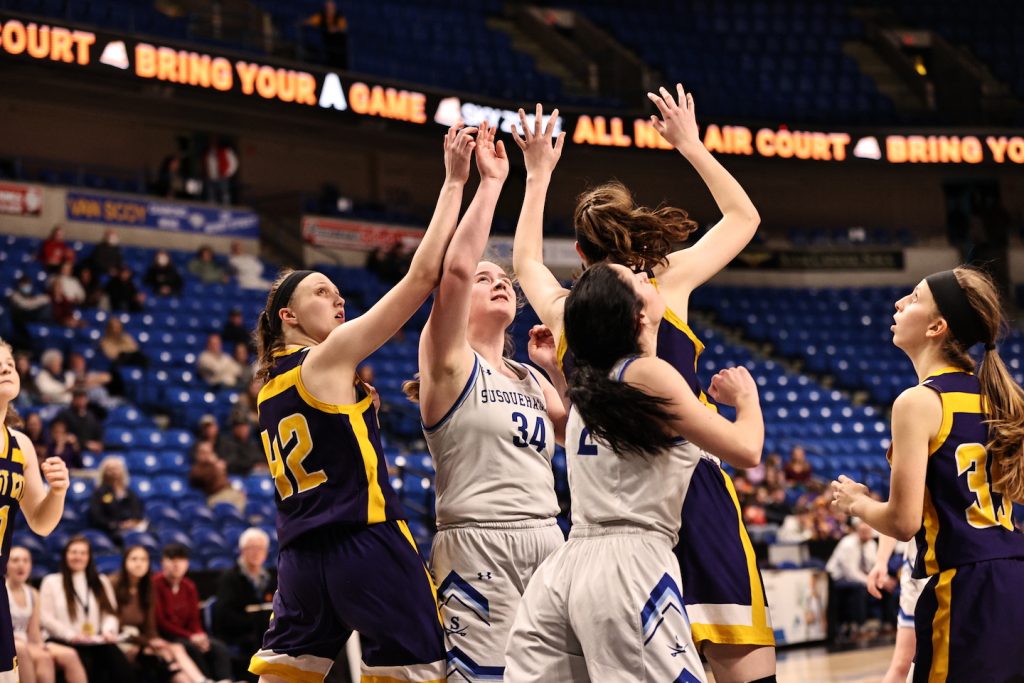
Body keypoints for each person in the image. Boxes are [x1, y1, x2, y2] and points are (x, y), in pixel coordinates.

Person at [510, 90, 774, 682]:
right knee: (741, 664)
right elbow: (744, 219)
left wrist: (537, 175)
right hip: (689, 484)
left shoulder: (567, 313)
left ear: (577, 253)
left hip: (609, 507)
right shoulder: (664, 284)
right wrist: (690, 143)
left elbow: (525, 258)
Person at [248, 124, 477, 682]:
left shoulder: (267, 389)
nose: (338, 298)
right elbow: (422, 276)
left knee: (282, 677)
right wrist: (452, 183)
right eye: (321, 292)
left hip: (301, 559)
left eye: (336, 290)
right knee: (417, 673)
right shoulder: (323, 362)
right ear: (290, 318)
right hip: (366, 539)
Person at [504, 263, 765, 682]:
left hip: (566, 570)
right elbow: (747, 450)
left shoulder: (591, 385)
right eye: (639, 280)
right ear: (637, 314)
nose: (649, 277)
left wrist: (555, 372)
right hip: (629, 566)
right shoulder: (650, 372)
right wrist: (746, 399)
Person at [405, 121, 566, 677]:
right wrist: (490, 181)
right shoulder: (448, 360)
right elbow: (450, 269)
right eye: (484, 277)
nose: (499, 281)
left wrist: (557, 372)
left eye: (504, 278)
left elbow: (584, 435)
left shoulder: (529, 374)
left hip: (548, 534)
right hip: (478, 544)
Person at [831, 267, 1024, 682]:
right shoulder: (996, 396)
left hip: (965, 588)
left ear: (937, 326)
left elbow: (903, 523)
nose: (899, 303)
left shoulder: (918, 401)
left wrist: (857, 502)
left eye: (914, 297)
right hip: (1013, 578)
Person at [38, 537, 134, 683]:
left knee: (117, 659)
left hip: (95, 639)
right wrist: (71, 635)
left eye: (83, 553)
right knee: (86, 660)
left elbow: (110, 613)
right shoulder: (51, 581)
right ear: (65, 555)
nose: (78, 557)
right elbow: (46, 618)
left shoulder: (100, 581)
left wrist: (108, 630)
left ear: (89, 557)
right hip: (63, 640)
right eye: (74, 552)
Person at [110, 545, 207, 683]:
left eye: (144, 560)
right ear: (125, 562)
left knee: (177, 658)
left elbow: (151, 625)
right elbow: (116, 626)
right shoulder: (113, 584)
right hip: (121, 640)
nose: (139, 563)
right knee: (167, 654)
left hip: (141, 639)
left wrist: (154, 639)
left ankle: (203, 680)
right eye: (134, 559)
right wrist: (148, 642)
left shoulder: (147, 586)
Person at [6, 546, 87, 683]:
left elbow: (33, 632)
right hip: (8, 641)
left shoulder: (33, 594)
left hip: (27, 641)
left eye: (26, 561)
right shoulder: (2, 591)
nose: (21, 565)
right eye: (15, 560)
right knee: (40, 657)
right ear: (5, 564)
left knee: (70, 654)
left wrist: (39, 645)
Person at [212, 528, 277, 667]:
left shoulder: (271, 578)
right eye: (251, 547)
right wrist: (254, 621)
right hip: (239, 635)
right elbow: (223, 615)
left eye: (260, 548)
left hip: (265, 632)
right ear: (242, 550)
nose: (256, 552)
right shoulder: (229, 578)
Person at [867, 536, 927, 683]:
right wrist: (881, 561)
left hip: (976, 565)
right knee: (903, 665)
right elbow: (895, 515)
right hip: (922, 571)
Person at [824, 519, 881, 645]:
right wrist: (870, 581)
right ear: (857, 530)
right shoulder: (848, 544)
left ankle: (886, 624)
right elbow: (851, 573)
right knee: (860, 588)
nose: (866, 534)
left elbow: (873, 566)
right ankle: (859, 627)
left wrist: (883, 580)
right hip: (836, 578)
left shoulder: (871, 544)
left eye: (868, 531)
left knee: (886, 586)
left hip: (858, 577)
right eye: (863, 531)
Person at [88, 456, 146, 545]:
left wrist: (133, 522)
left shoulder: (130, 493)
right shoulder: (99, 493)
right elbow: (96, 516)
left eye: (116, 469)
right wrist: (117, 525)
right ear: (104, 472)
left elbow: (137, 511)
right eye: (110, 470)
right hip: (109, 531)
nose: (114, 473)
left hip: (132, 529)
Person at [188, 442, 246, 511]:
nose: (205, 456)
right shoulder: (196, 469)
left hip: (226, 493)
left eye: (208, 453)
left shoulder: (215, 467)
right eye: (202, 453)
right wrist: (214, 468)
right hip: (214, 497)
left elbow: (225, 482)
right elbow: (205, 481)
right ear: (197, 455)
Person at [56, 388, 103, 454]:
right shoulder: (64, 415)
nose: (81, 401)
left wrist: (98, 443)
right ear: (73, 399)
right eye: (79, 398)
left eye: (83, 398)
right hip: (70, 451)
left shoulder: (91, 416)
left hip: (91, 451)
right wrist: (85, 444)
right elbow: (60, 435)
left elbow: (98, 433)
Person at [204, 136, 238, 205]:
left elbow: (234, 163)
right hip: (211, 177)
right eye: (211, 142)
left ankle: (225, 210)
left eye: (214, 142)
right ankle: (212, 209)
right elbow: (208, 164)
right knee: (211, 196)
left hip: (222, 177)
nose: (212, 144)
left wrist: (228, 173)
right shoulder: (208, 152)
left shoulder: (225, 151)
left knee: (224, 195)